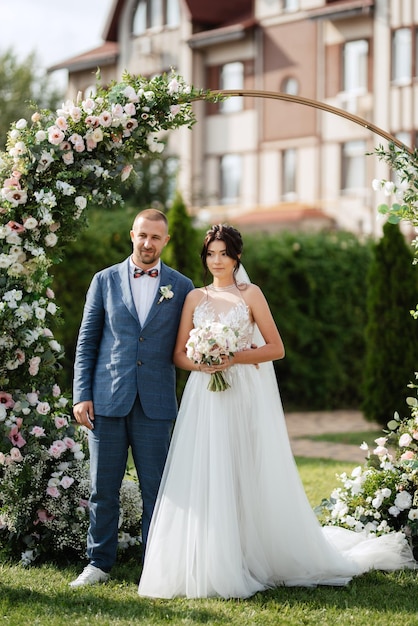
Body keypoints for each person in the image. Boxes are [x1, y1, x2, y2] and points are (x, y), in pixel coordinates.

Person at [138, 223, 415, 599]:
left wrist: (232, 356)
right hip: (204, 395)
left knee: (243, 467)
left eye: (224, 253)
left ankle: (252, 552)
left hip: (241, 395)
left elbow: (275, 348)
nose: (217, 261)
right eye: (211, 254)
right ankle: (211, 553)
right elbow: (178, 355)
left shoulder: (250, 295)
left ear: (237, 256)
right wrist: (204, 363)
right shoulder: (194, 297)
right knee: (206, 468)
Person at [69, 208, 194, 588]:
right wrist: (81, 394)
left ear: (165, 241)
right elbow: (87, 341)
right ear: (132, 235)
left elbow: (190, 342)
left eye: (156, 237)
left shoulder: (182, 286)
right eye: (142, 235)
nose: (148, 243)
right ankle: (98, 563)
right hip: (106, 400)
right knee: (102, 488)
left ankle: (154, 565)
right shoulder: (103, 280)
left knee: (157, 490)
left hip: (155, 404)